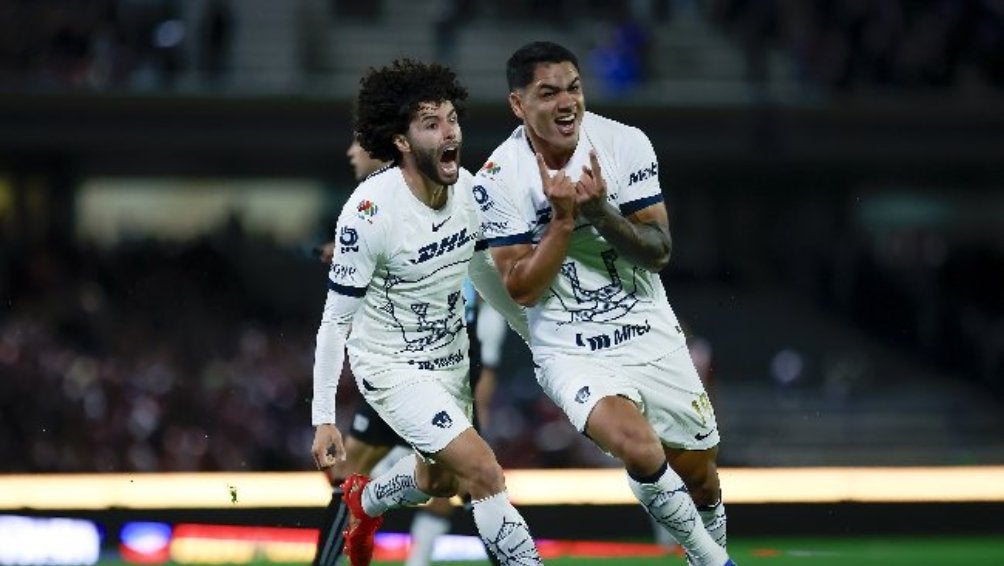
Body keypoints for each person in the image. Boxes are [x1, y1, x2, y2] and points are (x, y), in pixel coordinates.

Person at [473, 41, 735, 566]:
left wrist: (600, 211)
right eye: (548, 92)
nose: (567, 102)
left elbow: (659, 251)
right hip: (568, 343)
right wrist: (564, 222)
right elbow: (521, 287)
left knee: (701, 477)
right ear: (518, 105)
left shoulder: (625, 143)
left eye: (574, 87)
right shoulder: (497, 181)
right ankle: (714, 561)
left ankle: (703, 552)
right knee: (638, 446)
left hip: (647, 326)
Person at [310, 58, 542, 566]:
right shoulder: (369, 212)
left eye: (452, 119)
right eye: (430, 123)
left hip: (451, 362)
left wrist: (539, 340)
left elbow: (486, 278)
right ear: (400, 140)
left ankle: (365, 500)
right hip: (391, 369)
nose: (449, 131)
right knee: (483, 471)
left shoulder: (469, 193)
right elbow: (334, 321)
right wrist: (324, 417)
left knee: (438, 478)